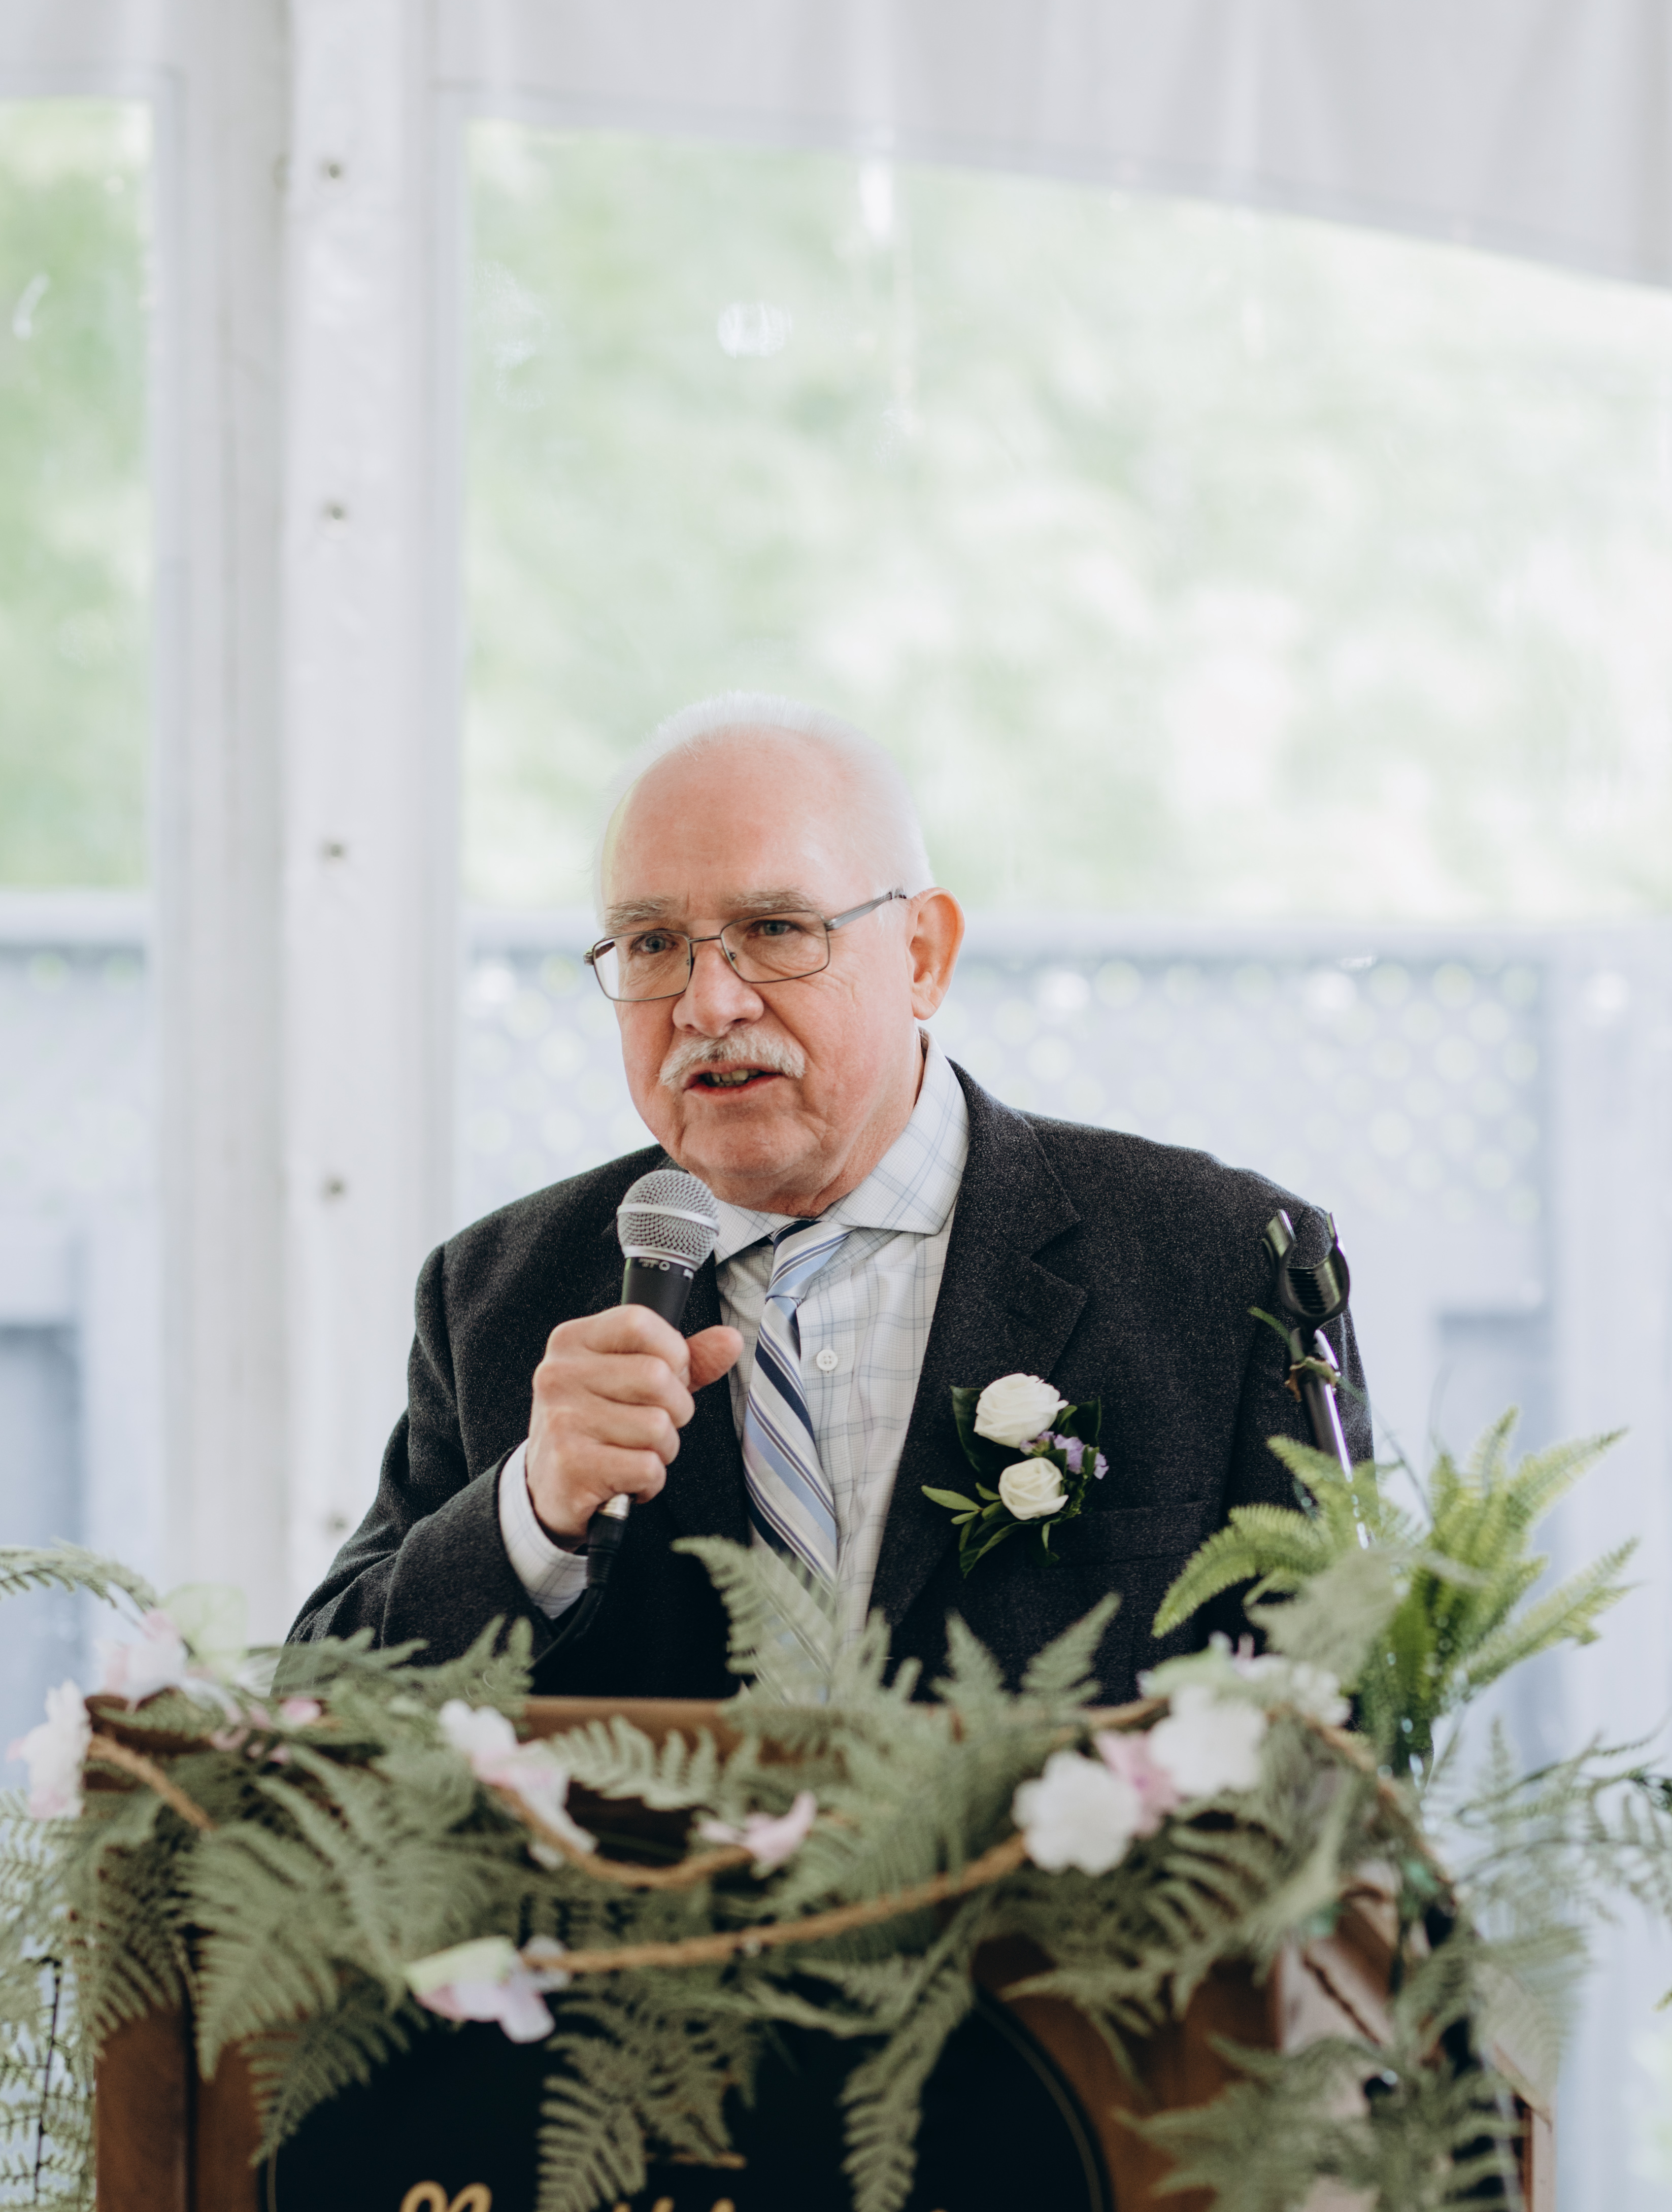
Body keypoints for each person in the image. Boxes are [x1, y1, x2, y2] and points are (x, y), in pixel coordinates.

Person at [290, 694, 1369, 1701]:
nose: (708, 1004)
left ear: (923, 955)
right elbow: (317, 1716)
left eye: (775, 929)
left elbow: (1356, 1728)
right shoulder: (496, 1297)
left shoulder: (1225, 1264)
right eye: (653, 945)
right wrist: (531, 1516)